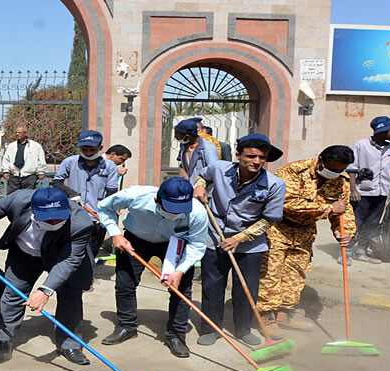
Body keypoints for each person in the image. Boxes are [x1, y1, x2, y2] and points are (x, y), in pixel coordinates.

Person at [0, 187, 95, 365]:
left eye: (59, 217)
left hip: (62, 257)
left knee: (71, 297)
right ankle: (3, 339)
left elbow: (70, 260)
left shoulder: (81, 222)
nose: (54, 222)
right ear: (32, 210)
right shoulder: (18, 200)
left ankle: (69, 344)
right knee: (13, 293)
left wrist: (45, 290)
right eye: (48, 219)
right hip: (24, 255)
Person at [97, 177, 208, 358]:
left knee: (181, 289)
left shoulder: (196, 212)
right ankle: (127, 326)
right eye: (170, 209)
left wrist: (180, 270)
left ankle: (176, 335)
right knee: (125, 284)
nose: (176, 214)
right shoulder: (135, 195)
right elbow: (104, 207)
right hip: (135, 239)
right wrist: (115, 233)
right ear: (157, 199)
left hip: (173, 244)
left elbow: (197, 245)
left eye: (181, 211)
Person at [192, 134, 286, 346]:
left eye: (262, 157)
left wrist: (239, 239)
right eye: (251, 156)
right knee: (212, 286)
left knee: (246, 288)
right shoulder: (219, 168)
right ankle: (211, 328)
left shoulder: (275, 185)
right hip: (214, 236)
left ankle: (243, 329)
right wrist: (199, 186)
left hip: (249, 243)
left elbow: (270, 220)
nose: (257, 161)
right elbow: (202, 175)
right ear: (238, 155)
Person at [257, 145, 356, 338]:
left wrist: (345, 232)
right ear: (320, 160)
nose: (335, 174)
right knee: (270, 273)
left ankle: (283, 315)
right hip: (278, 227)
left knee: (295, 275)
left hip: (305, 232)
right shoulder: (293, 171)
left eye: (340, 170)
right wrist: (328, 209)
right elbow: (288, 203)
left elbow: (344, 208)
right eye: (332, 169)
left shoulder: (341, 182)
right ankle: (266, 317)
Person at [346, 116, 390, 264]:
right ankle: (346, 251)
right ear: (382, 130)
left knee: (372, 224)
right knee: (355, 222)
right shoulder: (360, 146)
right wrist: (353, 190)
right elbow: (352, 169)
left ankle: (361, 250)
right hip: (362, 193)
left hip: (381, 193)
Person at [51, 130, 119, 256]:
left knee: (92, 251)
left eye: (92, 150)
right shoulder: (70, 162)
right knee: (72, 250)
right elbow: (56, 182)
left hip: (97, 216)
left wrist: (107, 211)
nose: (88, 153)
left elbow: (112, 191)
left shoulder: (110, 166)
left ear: (100, 148)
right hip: (74, 215)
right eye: (84, 150)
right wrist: (71, 193)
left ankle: (87, 273)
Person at [1, 126, 47, 194]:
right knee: (12, 197)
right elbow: (6, 159)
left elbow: (41, 160)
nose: (17, 134)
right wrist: (5, 171)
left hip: (29, 177)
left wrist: (41, 172)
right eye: (16, 132)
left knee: (28, 196)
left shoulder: (35, 146)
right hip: (14, 176)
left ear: (26, 134)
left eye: (20, 132)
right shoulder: (11, 146)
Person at [175, 118, 219, 182]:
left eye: (177, 135)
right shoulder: (184, 146)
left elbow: (213, 171)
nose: (175, 137)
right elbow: (183, 166)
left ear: (187, 136)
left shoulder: (208, 148)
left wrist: (200, 184)